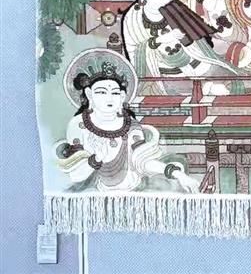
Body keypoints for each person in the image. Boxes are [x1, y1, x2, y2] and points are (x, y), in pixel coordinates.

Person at [55, 51, 198, 192]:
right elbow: (76, 175)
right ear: (89, 94)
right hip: (95, 191)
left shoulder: (130, 125)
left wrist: (177, 174)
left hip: (134, 188)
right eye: (101, 92)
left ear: (122, 96)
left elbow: (142, 162)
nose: (109, 98)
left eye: (115, 92)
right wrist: (96, 159)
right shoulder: (78, 125)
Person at [121, 0, 237, 95]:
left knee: (231, 79)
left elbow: (200, 38)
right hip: (165, 74)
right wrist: (160, 40)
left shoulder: (174, 8)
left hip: (196, 62)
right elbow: (134, 51)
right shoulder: (133, 18)